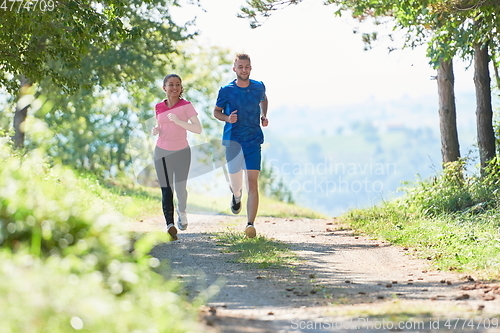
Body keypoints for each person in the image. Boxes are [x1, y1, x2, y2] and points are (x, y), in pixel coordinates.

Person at [213, 54, 269, 238]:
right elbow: (216, 112)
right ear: (234, 69)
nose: (244, 70)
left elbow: (264, 99)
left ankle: (250, 224)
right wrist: (228, 118)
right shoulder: (226, 90)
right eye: (240, 67)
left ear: (250, 68)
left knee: (252, 184)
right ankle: (236, 196)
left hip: (253, 141)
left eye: (247, 67)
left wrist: (263, 115)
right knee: (236, 185)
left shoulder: (258, 86)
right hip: (233, 142)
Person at [152, 74, 202, 240]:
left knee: (180, 188)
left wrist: (179, 122)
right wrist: (156, 130)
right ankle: (170, 225)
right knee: (166, 190)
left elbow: (197, 129)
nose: (175, 88)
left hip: (181, 152)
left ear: (181, 88)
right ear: (164, 88)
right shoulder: (159, 106)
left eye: (178, 85)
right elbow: (160, 125)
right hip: (161, 151)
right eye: (171, 85)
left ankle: (182, 212)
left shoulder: (186, 106)